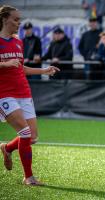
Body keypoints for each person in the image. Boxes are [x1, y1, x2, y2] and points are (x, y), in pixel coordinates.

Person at [0, 5, 59, 186]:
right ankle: (29, 177)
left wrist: (44, 70)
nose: (19, 23)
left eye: (19, 19)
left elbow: (21, 68)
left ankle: (7, 148)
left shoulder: (18, 41)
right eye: (16, 19)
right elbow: (9, 64)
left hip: (24, 92)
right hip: (5, 94)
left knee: (32, 137)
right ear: (4, 19)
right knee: (24, 133)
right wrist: (4, 64)